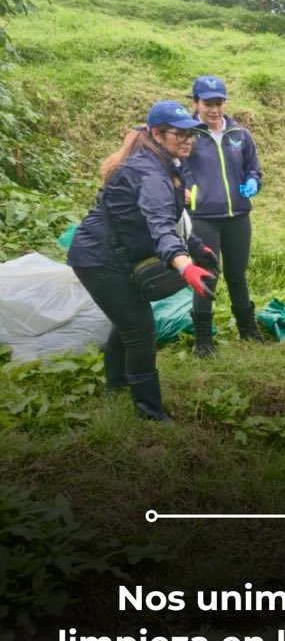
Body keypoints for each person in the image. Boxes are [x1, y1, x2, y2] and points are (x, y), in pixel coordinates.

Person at [68, 101, 219, 423]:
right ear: (157, 133)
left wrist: (195, 245)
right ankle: (149, 414)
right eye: (180, 134)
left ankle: (116, 387)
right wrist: (185, 265)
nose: (188, 140)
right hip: (99, 259)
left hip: (116, 254)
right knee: (139, 330)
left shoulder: (165, 162)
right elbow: (160, 225)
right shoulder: (150, 173)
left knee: (129, 322)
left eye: (192, 134)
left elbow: (173, 215)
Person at [182, 74, 263, 356]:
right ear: (195, 103)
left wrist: (253, 182)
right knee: (206, 276)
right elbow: (177, 167)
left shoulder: (240, 134)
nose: (214, 110)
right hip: (204, 218)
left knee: (237, 275)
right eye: (208, 104)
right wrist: (187, 187)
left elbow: (253, 168)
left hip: (238, 216)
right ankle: (203, 341)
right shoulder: (188, 135)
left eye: (219, 103)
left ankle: (248, 330)